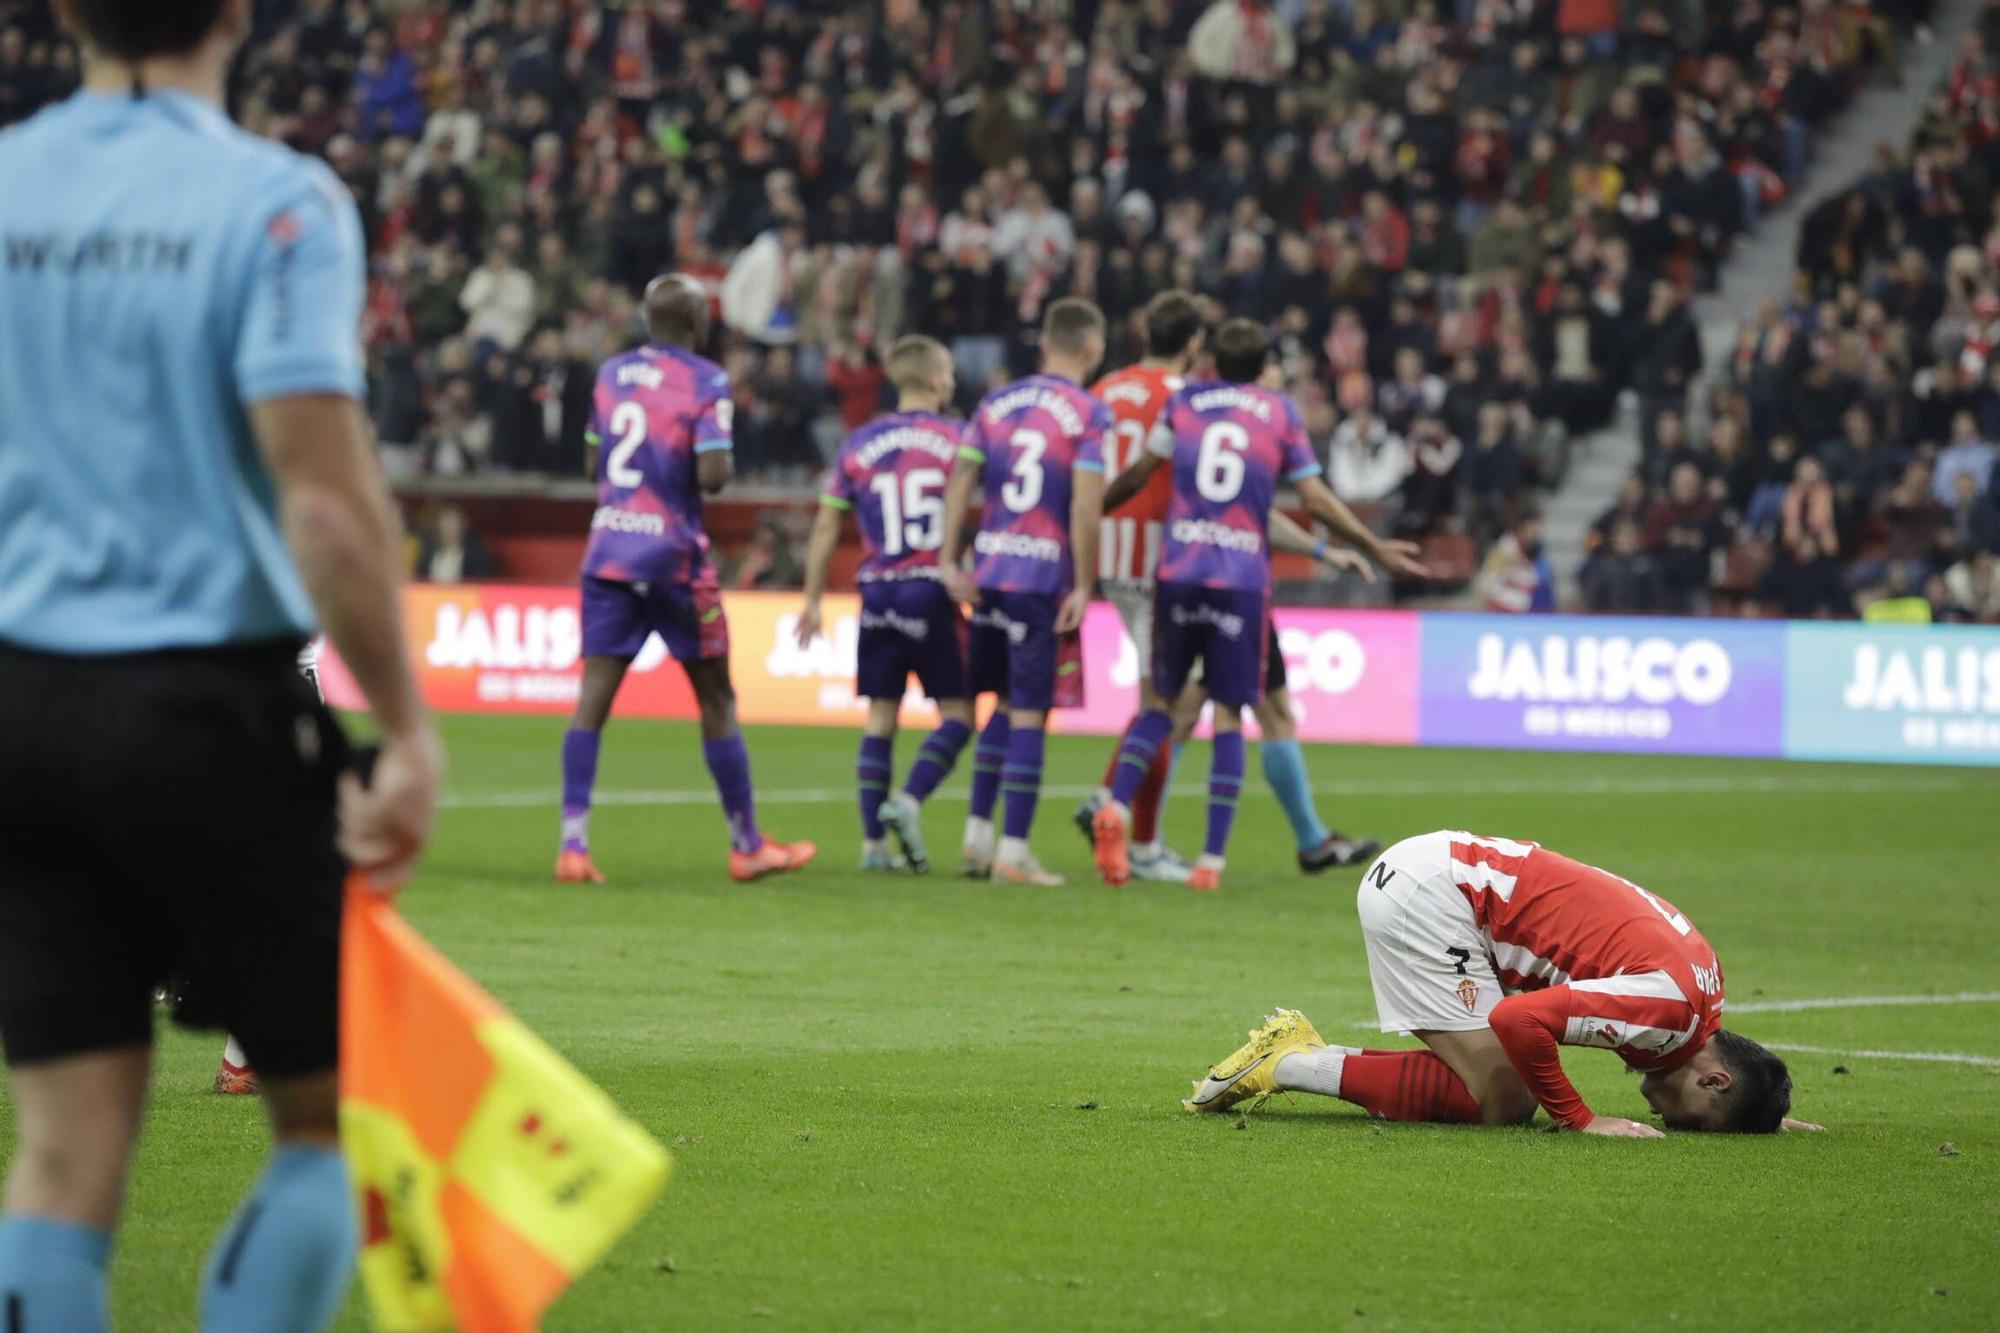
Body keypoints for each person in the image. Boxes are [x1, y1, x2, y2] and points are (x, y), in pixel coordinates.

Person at [0, 1, 443, 1328]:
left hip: (23, 701)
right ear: (239, 13)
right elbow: (321, 498)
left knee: (64, 1149)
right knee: (327, 1120)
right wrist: (409, 729)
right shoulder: (280, 202)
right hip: (207, 704)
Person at [1091, 321, 1431, 892]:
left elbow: (1139, 475)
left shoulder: (1184, 404)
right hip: (1239, 580)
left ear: (1213, 359)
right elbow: (1312, 498)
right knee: (1231, 713)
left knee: (1165, 705)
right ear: (1262, 366)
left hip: (1177, 571)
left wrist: (1089, 513)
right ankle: (1211, 862)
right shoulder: (1275, 413)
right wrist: (1370, 546)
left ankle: (1114, 805)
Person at [1186, 831, 1821, 1136]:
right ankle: (1290, 1062)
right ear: (1715, 1079)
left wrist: (1761, 1114)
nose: (1675, 1124)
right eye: (1701, 1122)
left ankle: (1296, 1056)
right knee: (1506, 1102)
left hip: (1448, 876)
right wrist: (1581, 1119)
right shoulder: (1669, 1015)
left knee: (1502, 1086)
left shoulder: (1700, 996)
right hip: (1436, 897)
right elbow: (1518, 1021)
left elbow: (1736, 1072)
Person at [556, 274, 814, 885]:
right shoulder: (706, 380)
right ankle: (747, 845)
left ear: (648, 319)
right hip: (673, 556)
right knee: (717, 699)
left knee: (592, 699)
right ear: (699, 322)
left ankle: (573, 846)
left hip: (609, 552)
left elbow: (594, 461)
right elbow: (715, 474)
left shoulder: (611, 373)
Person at [938, 298, 1111, 886]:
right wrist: (1085, 581)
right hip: (1042, 578)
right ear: (1091, 347)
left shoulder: (995, 403)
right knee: (1032, 715)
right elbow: (1086, 503)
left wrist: (947, 557)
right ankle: (1013, 851)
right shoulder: (1088, 412)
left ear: (1045, 344)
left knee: (1003, 707)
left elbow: (960, 479)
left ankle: (976, 838)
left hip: (989, 573)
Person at [797, 336, 974, 873]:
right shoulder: (960, 439)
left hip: (876, 590)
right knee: (960, 717)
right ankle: (910, 798)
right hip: (929, 587)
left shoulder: (857, 444)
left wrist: (811, 600)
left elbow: (827, 523)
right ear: (937, 380)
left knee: (880, 717)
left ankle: (873, 846)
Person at [1069, 290, 1207, 884]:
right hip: (1159, 559)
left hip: (1105, 551)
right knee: (1170, 701)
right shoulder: (1187, 399)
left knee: (1169, 697)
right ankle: (1125, 822)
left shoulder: (1105, 389)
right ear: (1194, 343)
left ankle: (1117, 807)